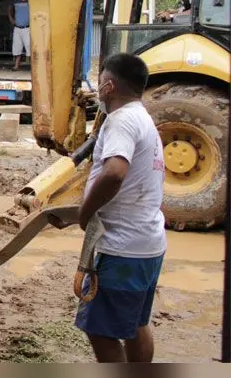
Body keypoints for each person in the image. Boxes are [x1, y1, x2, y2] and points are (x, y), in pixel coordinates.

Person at [74, 53, 166, 363]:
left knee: (100, 329)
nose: (98, 91)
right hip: (148, 245)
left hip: (123, 249)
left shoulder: (121, 120)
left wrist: (85, 214)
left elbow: (114, 172)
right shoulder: (143, 118)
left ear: (109, 86)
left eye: (100, 84)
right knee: (136, 324)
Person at [8, 0, 31, 71]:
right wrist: (10, 18)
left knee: (29, 46)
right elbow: (9, 8)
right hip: (17, 28)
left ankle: (33, 67)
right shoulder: (16, 0)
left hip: (27, 28)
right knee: (17, 47)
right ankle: (16, 66)